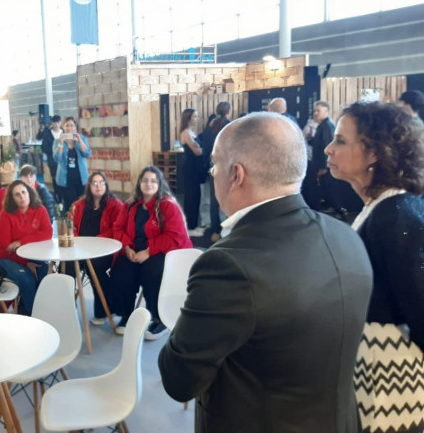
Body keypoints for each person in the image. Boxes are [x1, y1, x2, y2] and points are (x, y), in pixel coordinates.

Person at [158, 112, 373, 432]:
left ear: (236, 174)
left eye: (215, 164)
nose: (212, 172)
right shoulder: (347, 236)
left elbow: (179, 380)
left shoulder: (227, 266)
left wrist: (191, 314)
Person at [325, 101, 424, 432]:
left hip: (392, 382)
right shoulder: (383, 207)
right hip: (373, 372)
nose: (328, 148)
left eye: (340, 140)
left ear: (374, 152)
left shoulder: (397, 215)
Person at [112, 166, 191, 340]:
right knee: (121, 269)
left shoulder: (167, 206)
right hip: (133, 248)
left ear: (159, 184)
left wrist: (148, 252)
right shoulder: (130, 204)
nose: (149, 184)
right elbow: (117, 228)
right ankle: (126, 315)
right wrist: (127, 248)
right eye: (145, 180)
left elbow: (174, 236)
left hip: (162, 250)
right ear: (140, 183)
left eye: (153, 181)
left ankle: (159, 318)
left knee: (152, 272)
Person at [67, 171, 124, 325]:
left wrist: (95, 242)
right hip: (79, 249)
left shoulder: (115, 205)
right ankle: (68, 308)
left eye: (101, 183)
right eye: (94, 183)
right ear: (89, 186)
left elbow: (116, 229)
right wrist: (77, 240)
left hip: (104, 251)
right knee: (66, 267)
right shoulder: (78, 205)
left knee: (95, 266)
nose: (98, 186)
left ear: (106, 185)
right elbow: (70, 226)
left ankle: (104, 310)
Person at [0, 180, 53, 315]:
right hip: (7, 259)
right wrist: (26, 263)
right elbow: (4, 246)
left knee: (44, 273)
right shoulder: (6, 214)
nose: (22, 197)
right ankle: (33, 315)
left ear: (29, 192)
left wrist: (21, 241)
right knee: (27, 279)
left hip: (34, 256)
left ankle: (29, 309)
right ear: (12, 198)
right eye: (17, 195)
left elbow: (47, 233)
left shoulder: (40, 209)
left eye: (23, 192)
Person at [198, 102, 231, 242]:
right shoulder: (230, 127)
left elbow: (205, 150)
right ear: (228, 111)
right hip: (228, 167)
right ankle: (229, 229)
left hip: (213, 167)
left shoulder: (208, 129)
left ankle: (215, 230)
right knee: (230, 197)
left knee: (214, 200)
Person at [52, 117, 92, 210]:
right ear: (64, 127)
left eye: (72, 125)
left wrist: (80, 141)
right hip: (66, 180)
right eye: (67, 126)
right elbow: (57, 158)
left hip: (81, 179)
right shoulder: (57, 141)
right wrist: (61, 143)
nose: (69, 128)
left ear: (75, 127)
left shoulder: (81, 138)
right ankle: (70, 224)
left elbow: (87, 153)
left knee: (83, 205)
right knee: (70, 206)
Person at [304, 100, 337, 211]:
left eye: (318, 111)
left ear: (326, 111)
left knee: (324, 189)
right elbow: (319, 143)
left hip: (322, 165)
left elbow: (327, 147)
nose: (315, 113)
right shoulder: (323, 125)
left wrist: (324, 167)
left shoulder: (326, 126)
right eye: (315, 111)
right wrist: (310, 140)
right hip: (319, 164)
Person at [178, 108, 205, 236]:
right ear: (188, 119)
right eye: (195, 117)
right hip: (190, 168)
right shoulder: (186, 133)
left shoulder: (192, 132)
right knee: (191, 196)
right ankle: (190, 225)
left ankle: (193, 223)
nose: (197, 119)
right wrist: (200, 148)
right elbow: (197, 151)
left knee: (196, 195)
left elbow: (199, 149)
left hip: (195, 167)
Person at [37, 115, 63, 202]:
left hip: (64, 161)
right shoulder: (48, 134)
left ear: (60, 123)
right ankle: (57, 196)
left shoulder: (64, 133)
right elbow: (44, 147)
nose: (56, 124)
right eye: (54, 122)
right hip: (52, 161)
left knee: (64, 178)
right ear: (52, 123)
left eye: (58, 122)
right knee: (55, 179)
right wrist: (54, 151)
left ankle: (64, 196)